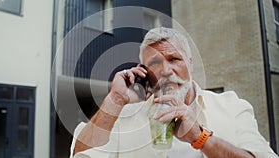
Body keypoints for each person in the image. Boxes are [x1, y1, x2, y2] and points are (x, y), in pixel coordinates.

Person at [70, 27, 278, 158]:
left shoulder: (232, 106)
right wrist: (115, 100)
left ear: (190, 63)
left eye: (174, 59)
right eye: (154, 63)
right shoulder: (125, 116)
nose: (166, 71)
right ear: (143, 71)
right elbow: (81, 155)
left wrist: (201, 138)